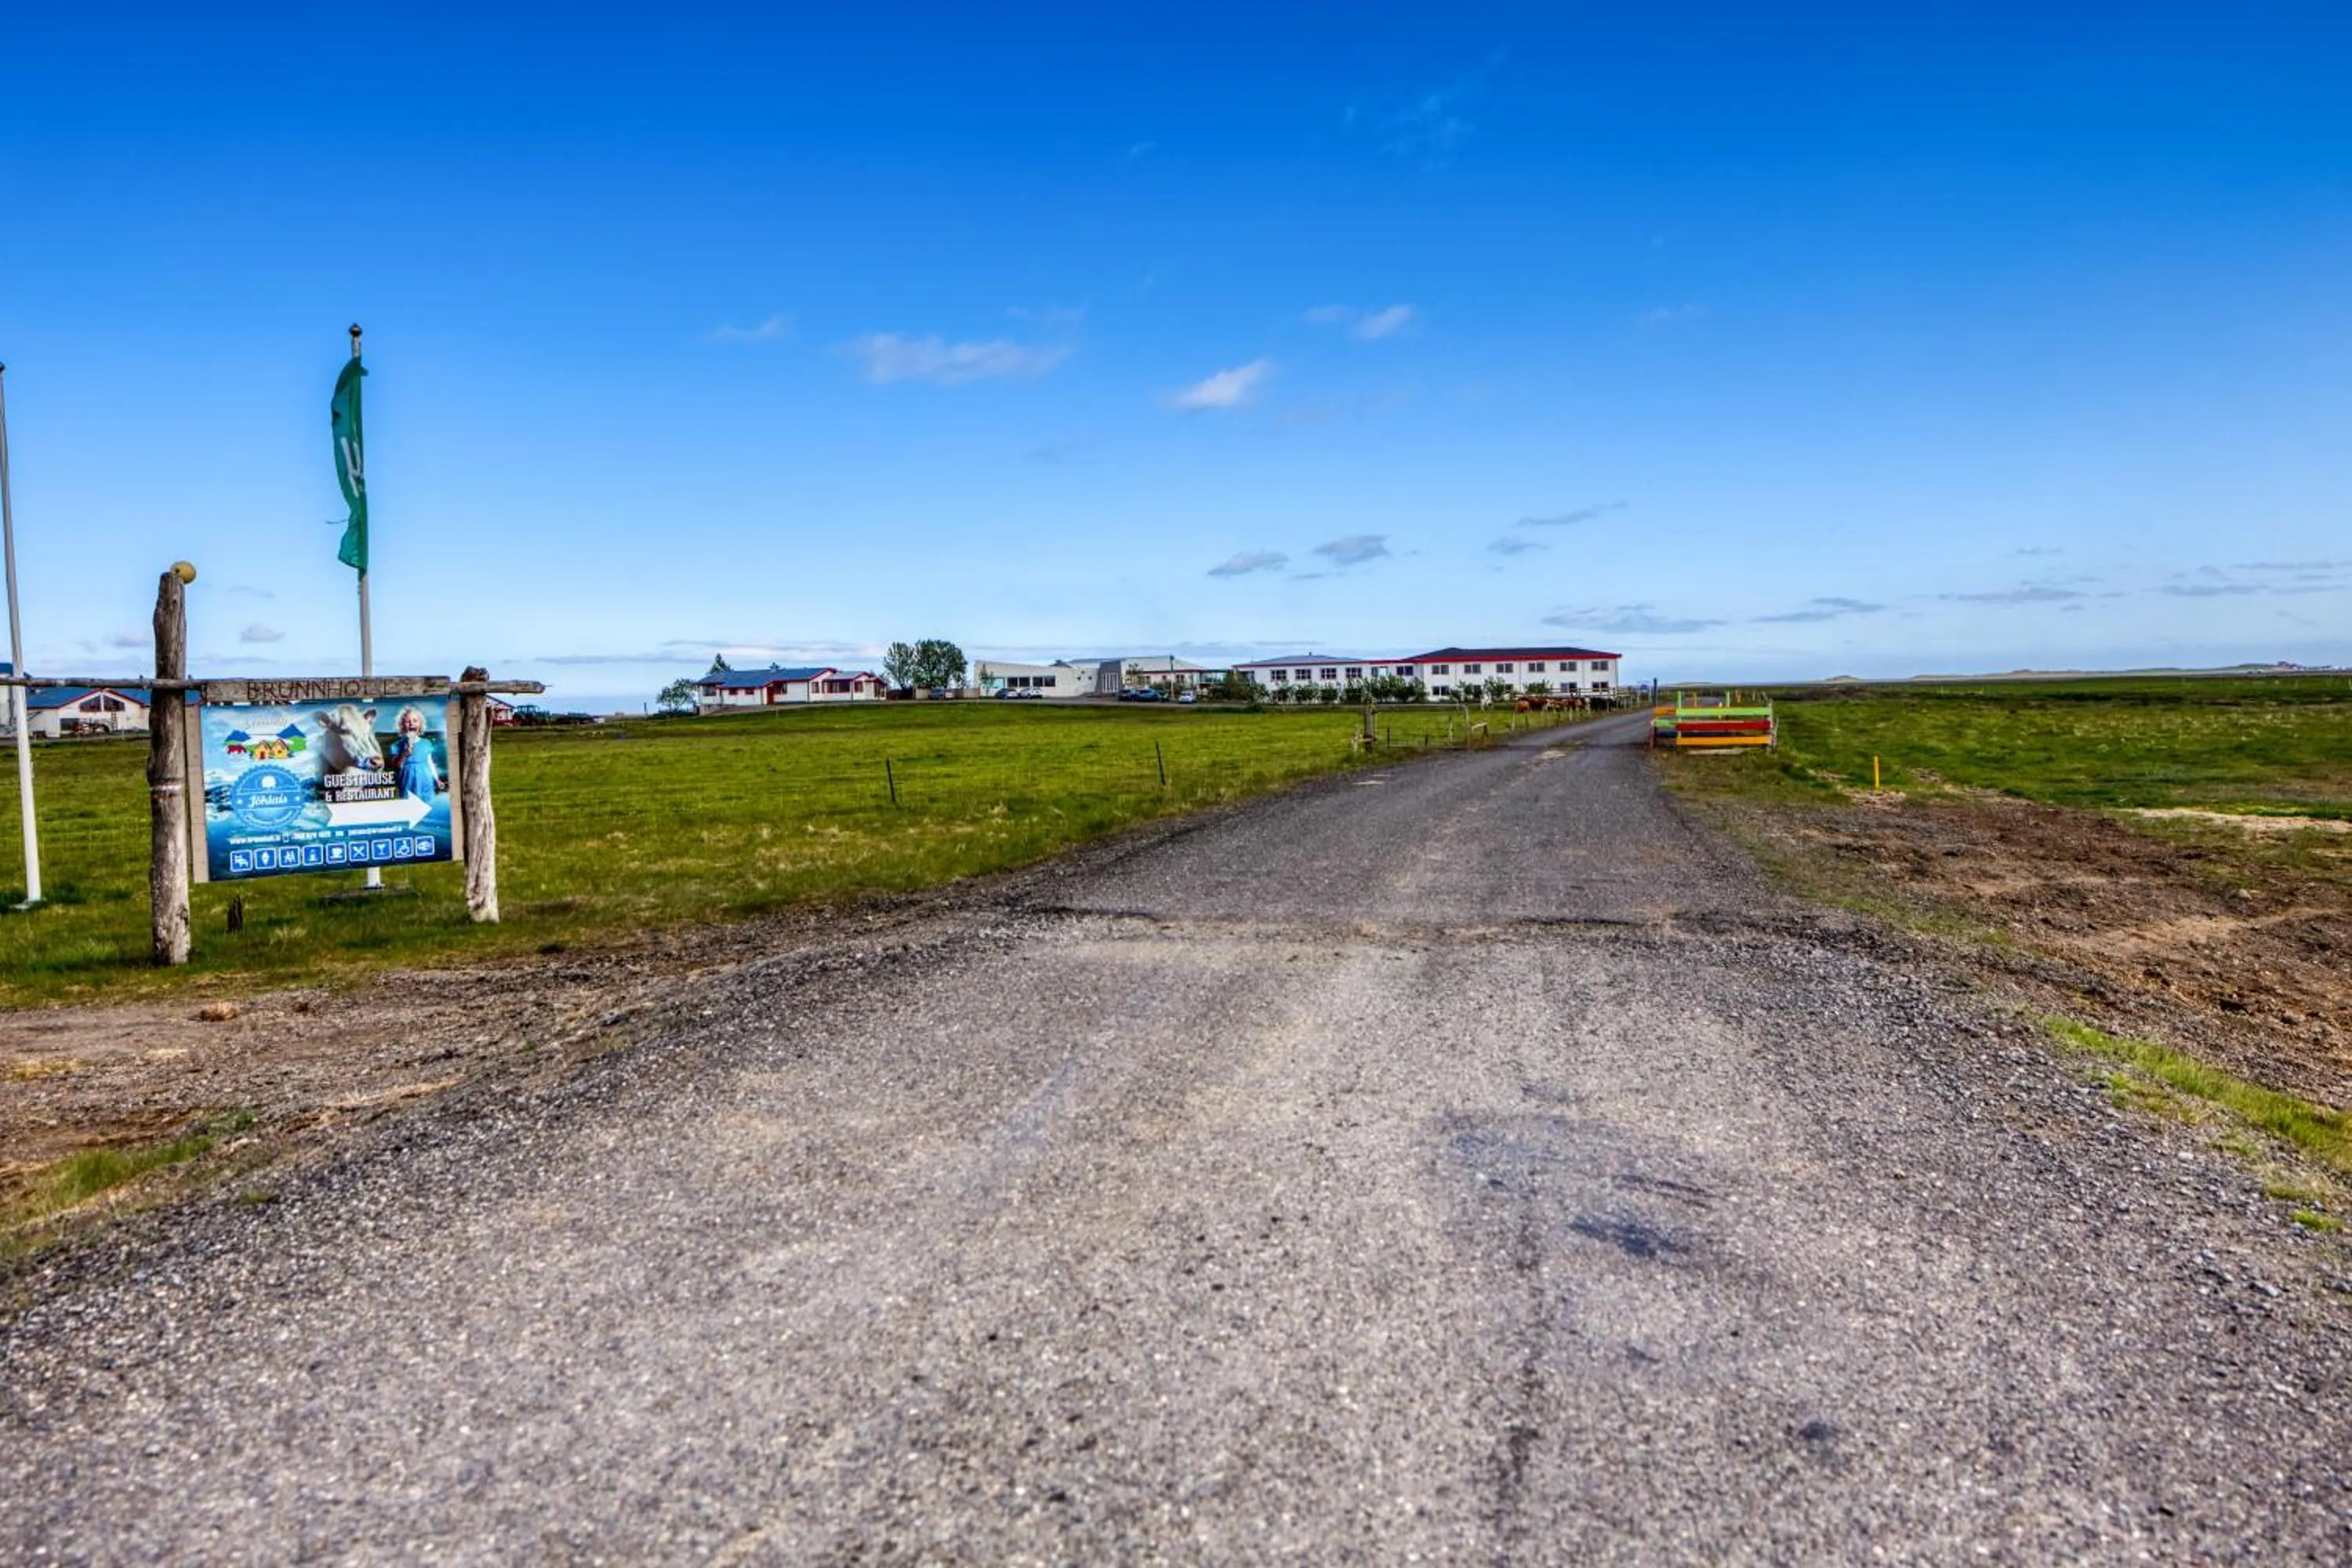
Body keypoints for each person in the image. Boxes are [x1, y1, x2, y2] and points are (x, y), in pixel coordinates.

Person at [388, 705, 442, 803]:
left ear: (420, 725)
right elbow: (396, 766)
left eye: (415, 721)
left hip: (425, 782)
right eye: (408, 721)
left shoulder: (426, 743)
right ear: (402, 725)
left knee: (428, 807)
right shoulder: (396, 746)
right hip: (407, 783)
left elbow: (430, 763)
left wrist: (437, 779)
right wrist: (405, 753)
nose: (411, 723)